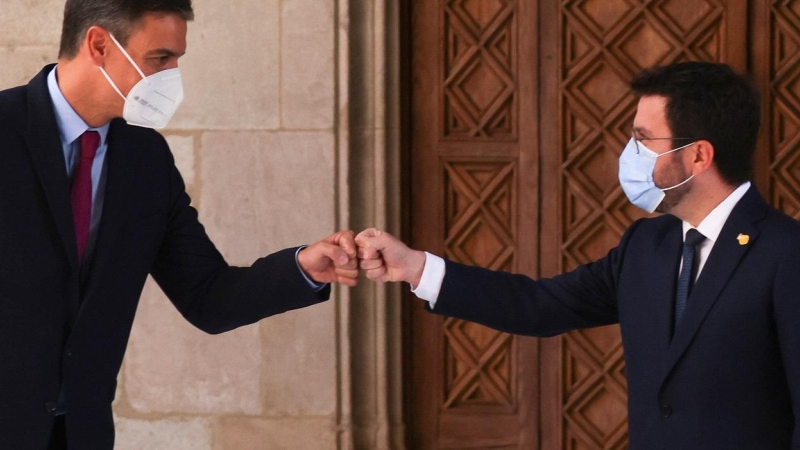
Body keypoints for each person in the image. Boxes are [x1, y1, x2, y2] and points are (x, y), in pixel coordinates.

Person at [356, 61, 800, 449]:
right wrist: (414, 267)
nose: (631, 154)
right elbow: (540, 306)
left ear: (699, 155)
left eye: (644, 140)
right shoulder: (646, 246)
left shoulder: (785, 253)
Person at [0, 1, 359, 449]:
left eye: (176, 60)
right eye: (160, 58)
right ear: (98, 45)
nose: (171, 76)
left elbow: (208, 296)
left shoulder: (146, 161)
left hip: (79, 434)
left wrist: (304, 267)